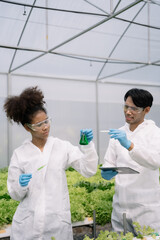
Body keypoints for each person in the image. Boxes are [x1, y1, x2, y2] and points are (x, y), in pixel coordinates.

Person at [4, 86, 98, 240]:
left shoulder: (61, 147)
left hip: (56, 224)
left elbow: (88, 170)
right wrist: (20, 185)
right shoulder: (20, 154)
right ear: (27, 128)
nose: (45, 127)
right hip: (28, 226)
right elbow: (14, 194)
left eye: (46, 121)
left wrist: (87, 146)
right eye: (39, 125)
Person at [101, 88, 160, 235]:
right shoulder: (119, 133)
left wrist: (130, 145)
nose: (128, 112)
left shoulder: (154, 133)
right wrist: (107, 171)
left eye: (134, 109)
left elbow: (155, 161)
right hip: (121, 206)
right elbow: (109, 161)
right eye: (126, 106)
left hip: (146, 208)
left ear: (146, 110)